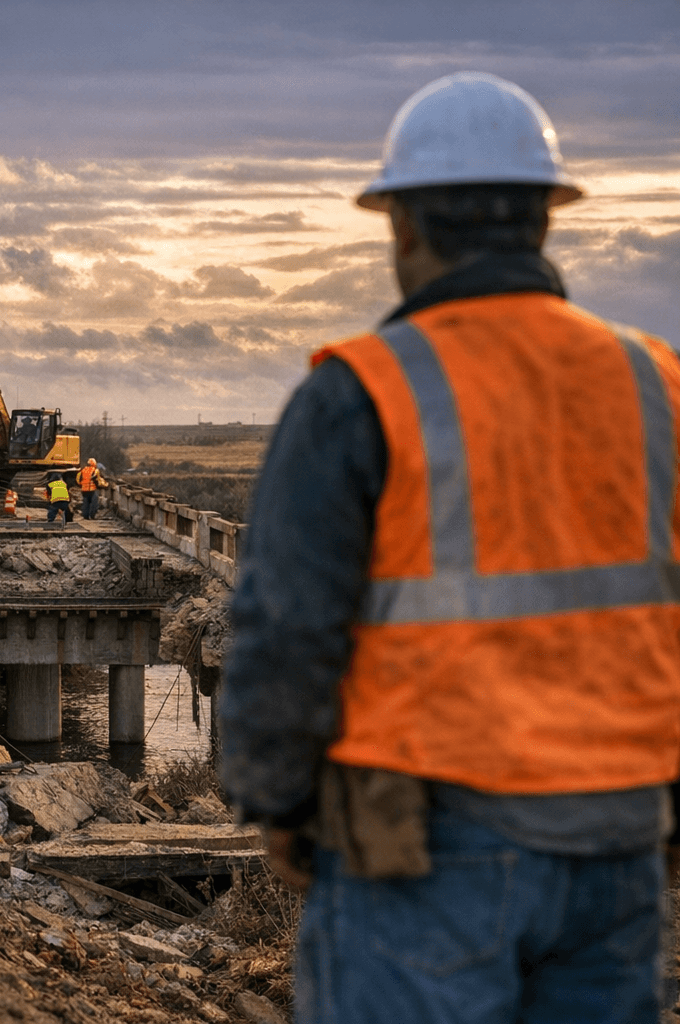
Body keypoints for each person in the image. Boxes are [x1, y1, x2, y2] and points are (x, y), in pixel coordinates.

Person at [220, 71, 680, 1023]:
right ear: (545, 221)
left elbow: (288, 625)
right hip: (619, 838)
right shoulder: (654, 384)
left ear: (402, 227)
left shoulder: (362, 394)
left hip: (427, 844)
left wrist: (281, 802)